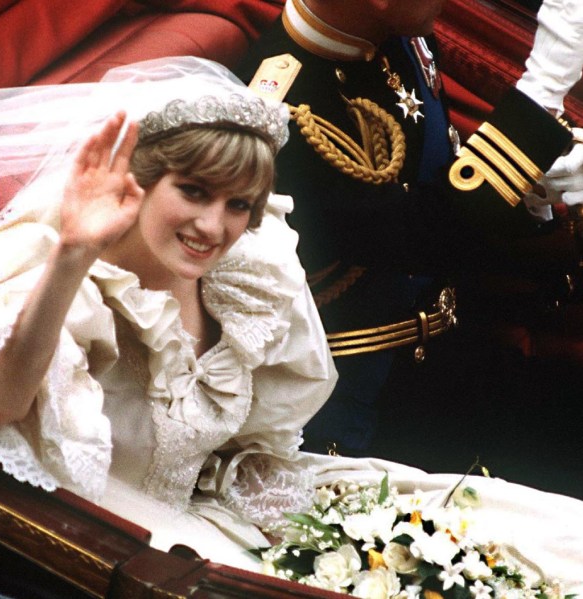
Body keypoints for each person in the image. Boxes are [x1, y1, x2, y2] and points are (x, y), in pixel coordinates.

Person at [0, 57, 583, 588]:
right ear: (138, 181)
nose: (213, 227)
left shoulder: (245, 266)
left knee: (524, 540)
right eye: (193, 192)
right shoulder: (39, 267)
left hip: (225, 499)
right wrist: (72, 255)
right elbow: (2, 405)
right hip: (118, 541)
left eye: (238, 204)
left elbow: (248, 443)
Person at [235, 0, 583, 456]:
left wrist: (532, 187)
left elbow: (434, 182)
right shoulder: (278, 115)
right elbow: (423, 236)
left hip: (449, 352)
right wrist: (543, 89)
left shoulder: (398, 33)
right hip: (359, 407)